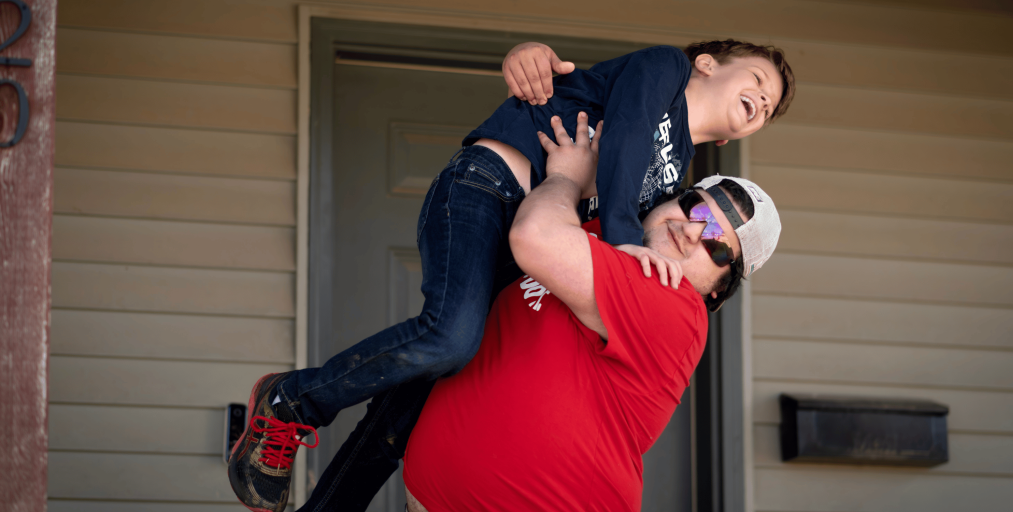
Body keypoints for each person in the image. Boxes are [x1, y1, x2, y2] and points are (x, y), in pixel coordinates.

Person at [228, 39, 795, 512]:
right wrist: (531, 57)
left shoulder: (669, 189)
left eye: (769, 109)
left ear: (729, 141)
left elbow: (597, 221)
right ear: (708, 63)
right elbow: (621, 131)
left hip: (520, 235)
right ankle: (293, 401)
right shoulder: (665, 69)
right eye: (757, 81)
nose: (762, 102)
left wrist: (616, 225)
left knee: (407, 405)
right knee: (449, 336)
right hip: (491, 183)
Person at [401, 113, 782, 512]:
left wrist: (565, 178)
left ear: (719, 290)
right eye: (695, 209)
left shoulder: (677, 304)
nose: (691, 231)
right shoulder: (594, 231)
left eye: (717, 246)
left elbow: (535, 237)